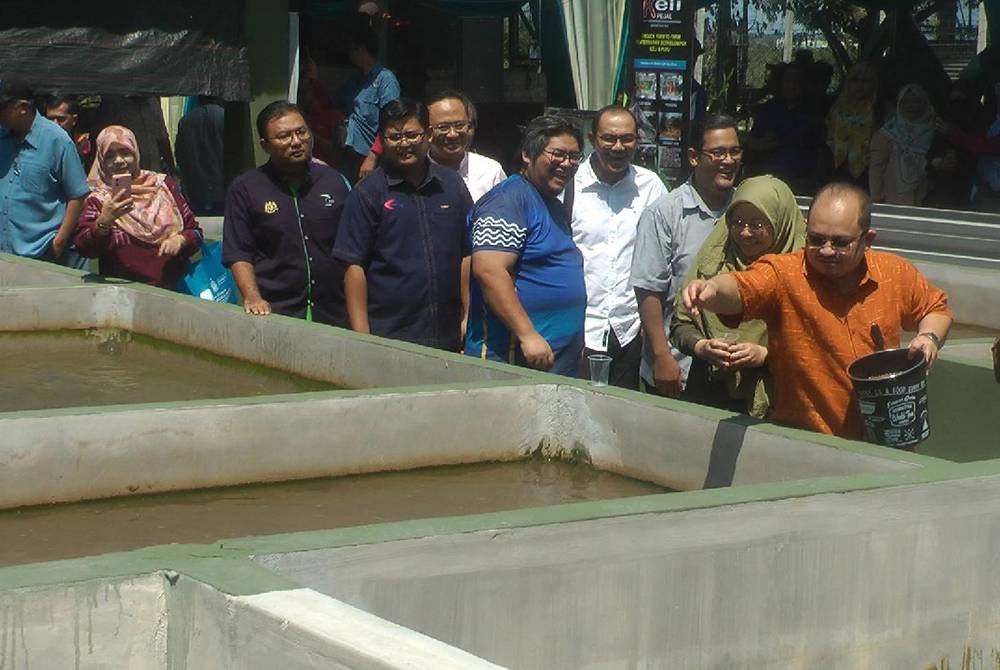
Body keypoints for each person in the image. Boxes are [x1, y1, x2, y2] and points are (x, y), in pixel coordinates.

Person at [681, 182, 953, 440]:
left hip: (886, 437)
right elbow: (741, 288)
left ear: (867, 239)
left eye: (840, 242)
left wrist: (928, 338)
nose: (826, 250)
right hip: (808, 442)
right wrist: (712, 290)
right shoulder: (784, 274)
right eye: (816, 239)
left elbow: (935, 308)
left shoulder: (894, 272)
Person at [333, 98, 472, 351]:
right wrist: (363, 338)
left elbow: (467, 253)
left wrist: (467, 315)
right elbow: (353, 265)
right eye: (394, 137)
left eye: (412, 135)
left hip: (448, 333)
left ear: (428, 134)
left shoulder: (451, 185)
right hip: (389, 336)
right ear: (382, 141)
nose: (404, 144)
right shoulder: (368, 193)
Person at [670, 176, 805, 417]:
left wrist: (765, 356)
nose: (745, 233)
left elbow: (816, 352)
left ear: (781, 222)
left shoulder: (803, 274)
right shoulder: (714, 260)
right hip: (709, 393)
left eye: (757, 224)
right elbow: (680, 323)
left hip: (778, 404)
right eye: (738, 222)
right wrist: (702, 347)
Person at [630, 114, 742, 397]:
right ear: (694, 157)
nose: (728, 161)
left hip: (736, 369)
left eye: (734, 151)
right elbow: (648, 291)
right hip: (679, 366)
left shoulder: (748, 209)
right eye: (718, 153)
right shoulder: (665, 213)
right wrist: (661, 357)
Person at [465, 114, 586, 376]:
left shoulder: (552, 203)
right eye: (558, 154)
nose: (567, 163)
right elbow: (489, 271)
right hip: (512, 360)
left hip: (558, 362)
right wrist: (527, 335)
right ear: (527, 155)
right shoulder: (506, 202)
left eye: (574, 157)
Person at [222, 100, 351, 325]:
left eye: (301, 132)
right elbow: (239, 253)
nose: (296, 142)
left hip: (334, 314)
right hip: (276, 314)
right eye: (284, 136)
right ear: (265, 145)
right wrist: (253, 298)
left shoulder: (334, 181)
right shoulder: (246, 189)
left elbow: (353, 248)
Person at [571, 105, 667, 389]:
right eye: (609, 138)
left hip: (629, 329)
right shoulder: (570, 185)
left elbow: (663, 256)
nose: (618, 146)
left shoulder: (651, 187)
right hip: (581, 327)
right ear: (592, 139)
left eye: (627, 138)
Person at [74, 126, 203, 287]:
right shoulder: (98, 200)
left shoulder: (162, 186)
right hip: (125, 295)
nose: (119, 160)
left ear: (135, 153)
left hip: (175, 288)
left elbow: (196, 232)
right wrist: (103, 222)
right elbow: (84, 248)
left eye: (125, 152)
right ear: (101, 160)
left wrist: (181, 240)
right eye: (110, 155)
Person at [0, 76, 90, 268]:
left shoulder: (57, 141)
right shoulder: (2, 139)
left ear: (22, 107)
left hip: (40, 254)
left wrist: (59, 242)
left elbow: (78, 195)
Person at [338, 19, 400, 182]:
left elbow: (391, 121)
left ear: (362, 49)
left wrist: (372, 157)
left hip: (371, 158)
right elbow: (335, 102)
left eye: (352, 49)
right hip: (349, 153)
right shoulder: (356, 79)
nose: (349, 54)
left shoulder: (386, 80)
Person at [426, 91, 506, 202]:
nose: (452, 134)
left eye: (459, 126)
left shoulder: (490, 172)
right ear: (427, 131)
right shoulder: (416, 173)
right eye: (443, 127)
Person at [869, 84, 935, 205]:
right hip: (893, 199)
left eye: (916, 101)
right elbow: (876, 168)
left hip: (925, 197)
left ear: (925, 104)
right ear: (899, 105)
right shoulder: (887, 134)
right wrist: (877, 197)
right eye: (905, 102)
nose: (910, 106)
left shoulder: (933, 131)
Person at [825, 61, 879, 186]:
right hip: (838, 168)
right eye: (855, 80)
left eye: (865, 81)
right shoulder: (836, 109)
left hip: (868, 171)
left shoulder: (879, 110)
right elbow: (829, 139)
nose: (859, 85)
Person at [174, 96, 225, 216]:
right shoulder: (223, 116)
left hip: (196, 189)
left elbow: (180, 154)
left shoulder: (186, 120)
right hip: (223, 187)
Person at [40, 94, 93, 170]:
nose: (55, 124)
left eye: (61, 119)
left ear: (74, 120)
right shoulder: (36, 145)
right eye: (50, 119)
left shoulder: (83, 145)